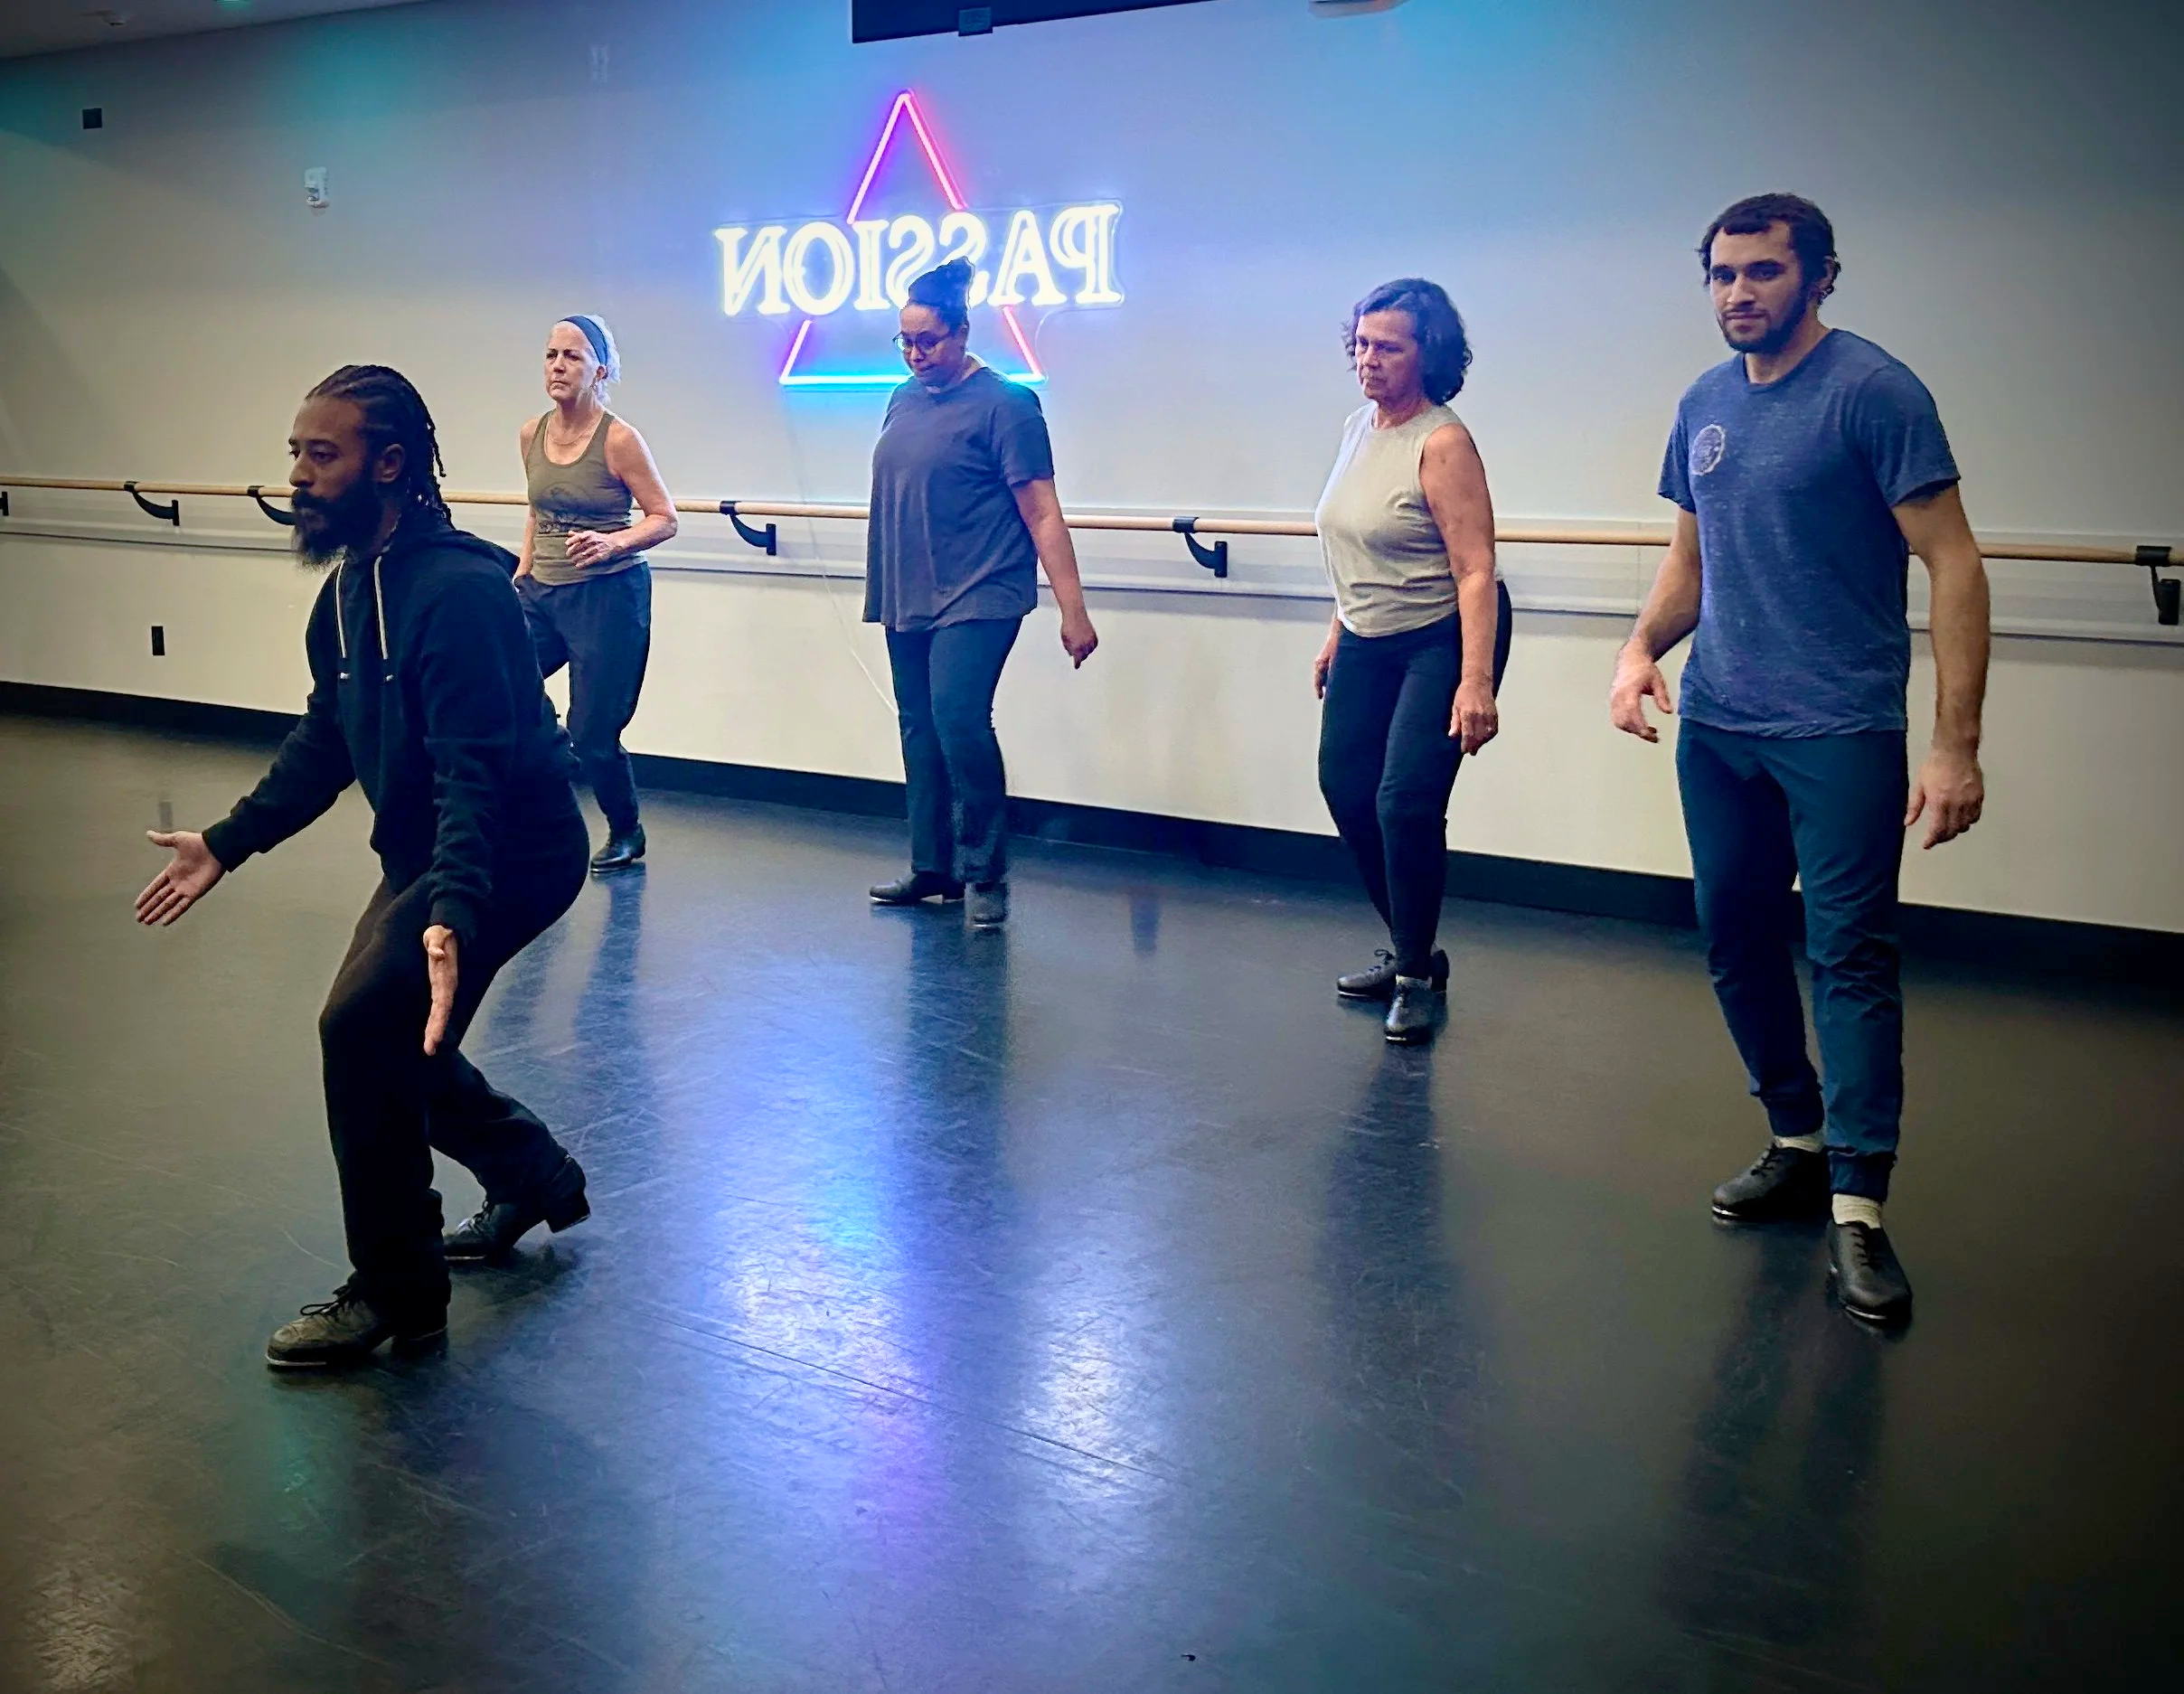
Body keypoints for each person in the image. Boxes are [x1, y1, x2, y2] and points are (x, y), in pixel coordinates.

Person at [135, 365, 597, 1369]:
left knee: (363, 1028)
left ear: (388, 464)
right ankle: (534, 1173)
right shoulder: (350, 588)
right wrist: (226, 840)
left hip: (511, 851)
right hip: (432, 852)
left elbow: (479, 771)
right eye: (295, 453)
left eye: (321, 454)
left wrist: (452, 913)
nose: (299, 475)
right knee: (394, 1039)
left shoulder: (464, 593)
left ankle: (398, 1290)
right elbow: (329, 738)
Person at [1609, 193, 1990, 1324]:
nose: (1739, 293)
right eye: (1723, 274)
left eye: (1764, 273)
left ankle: (1859, 1209)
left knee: (1851, 956)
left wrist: (1954, 744)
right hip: (1722, 724)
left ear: (1820, 277)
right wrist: (1636, 650)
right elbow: (1693, 558)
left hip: (1839, 729)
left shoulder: (1874, 393)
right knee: (1732, 933)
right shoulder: (1702, 403)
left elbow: (1956, 566)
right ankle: (1796, 1131)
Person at [862, 258, 1099, 929]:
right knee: (918, 728)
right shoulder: (903, 397)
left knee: (959, 721)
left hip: (980, 589)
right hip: (908, 587)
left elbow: (1043, 511)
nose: (915, 354)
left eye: (928, 341)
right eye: (905, 342)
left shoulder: (1008, 405)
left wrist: (1072, 608)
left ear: (963, 333)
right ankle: (931, 865)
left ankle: (984, 871)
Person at [1313, 278, 1511, 1045]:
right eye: (1361, 345)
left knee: (1404, 801)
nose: (1368, 360)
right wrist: (1336, 631)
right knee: (1344, 786)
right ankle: (1414, 949)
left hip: (1438, 636)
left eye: (1388, 348)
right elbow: (1353, 542)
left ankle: (1415, 979)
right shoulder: (1358, 428)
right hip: (1366, 634)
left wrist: (1475, 680)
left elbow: (1474, 569)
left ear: (1428, 354)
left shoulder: (1443, 442)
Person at [516, 315, 679, 873]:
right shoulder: (529, 433)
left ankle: (626, 830)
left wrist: (613, 544)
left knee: (592, 732)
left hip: (609, 599)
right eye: (551, 355)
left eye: (573, 357)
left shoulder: (620, 440)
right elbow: (536, 508)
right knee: (500, 686)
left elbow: (664, 519)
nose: (559, 366)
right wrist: (523, 569)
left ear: (599, 371)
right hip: (542, 592)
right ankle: (530, 813)